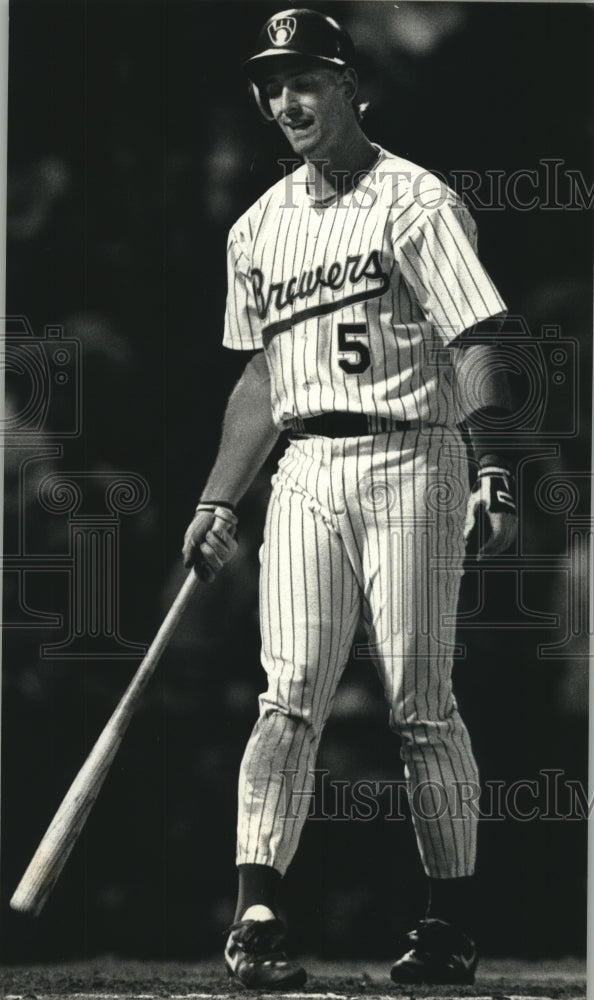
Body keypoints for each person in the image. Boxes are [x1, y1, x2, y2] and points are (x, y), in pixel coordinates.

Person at [182, 8, 517, 988]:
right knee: (287, 698)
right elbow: (260, 382)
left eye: (308, 79)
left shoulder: (415, 201)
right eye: (273, 83)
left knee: (421, 705)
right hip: (305, 472)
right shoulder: (257, 228)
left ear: (349, 87)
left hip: (414, 458)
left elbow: (478, 336)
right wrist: (217, 500)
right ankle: (257, 909)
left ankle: (447, 921)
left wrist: (491, 464)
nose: (287, 99)